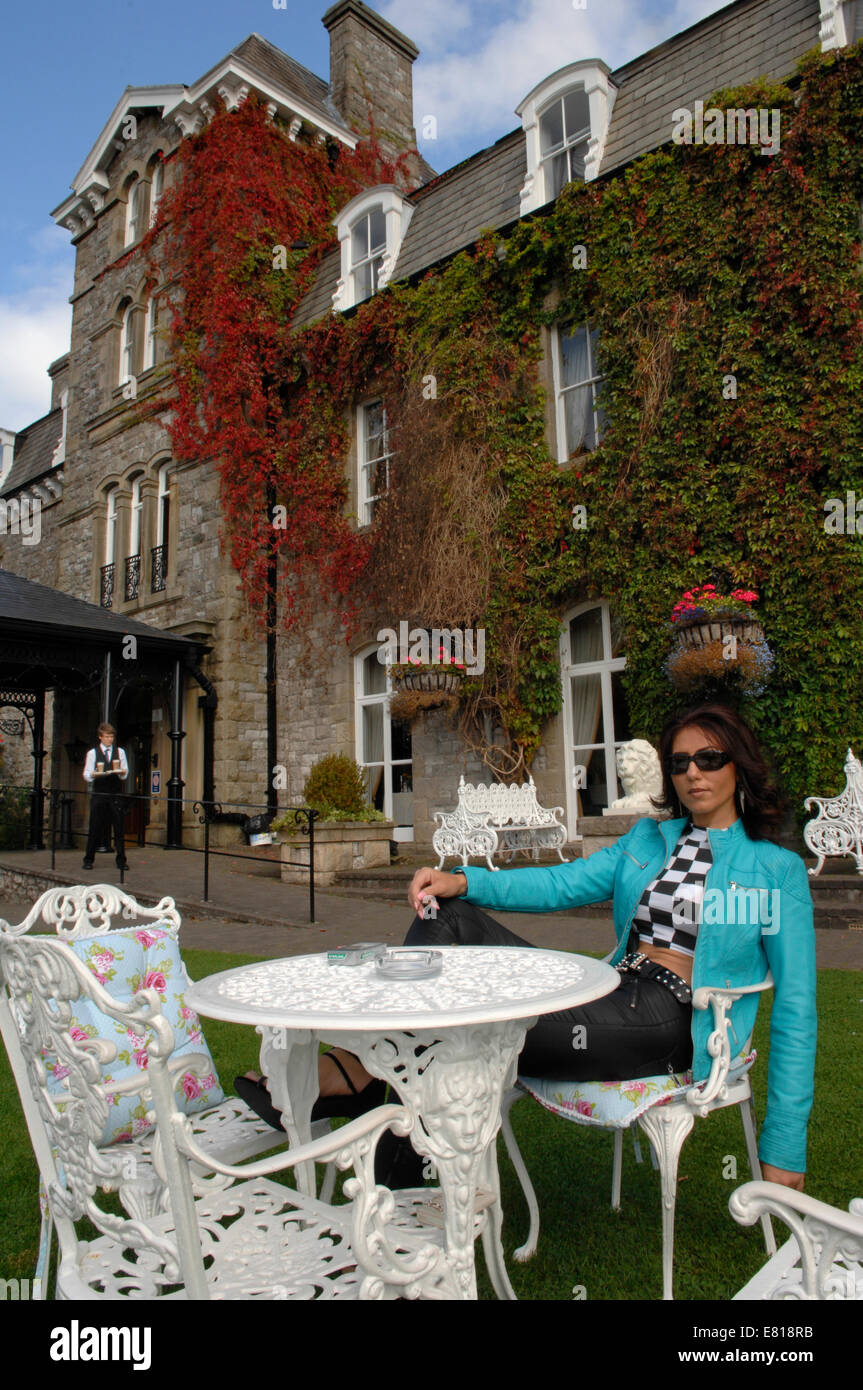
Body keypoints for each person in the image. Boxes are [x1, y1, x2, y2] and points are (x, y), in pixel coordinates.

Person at [239, 703, 816, 1192]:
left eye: (709, 759)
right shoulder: (649, 839)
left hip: (671, 1017)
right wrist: (463, 880)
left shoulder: (775, 870)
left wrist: (785, 1144)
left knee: (471, 1028)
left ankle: (365, 1093)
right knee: (449, 914)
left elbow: (796, 1007)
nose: (693, 773)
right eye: (680, 762)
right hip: (616, 988)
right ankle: (387, 1130)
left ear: (739, 765)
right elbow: (562, 883)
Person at [82, 722, 130, 870]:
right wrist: (94, 774)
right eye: (107, 736)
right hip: (99, 793)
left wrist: (122, 772)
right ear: (100, 737)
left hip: (115, 794)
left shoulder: (120, 752)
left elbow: (125, 773)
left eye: (111, 737)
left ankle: (121, 860)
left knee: (119, 828)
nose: (110, 739)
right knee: (95, 827)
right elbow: (86, 774)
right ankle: (88, 859)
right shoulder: (93, 753)